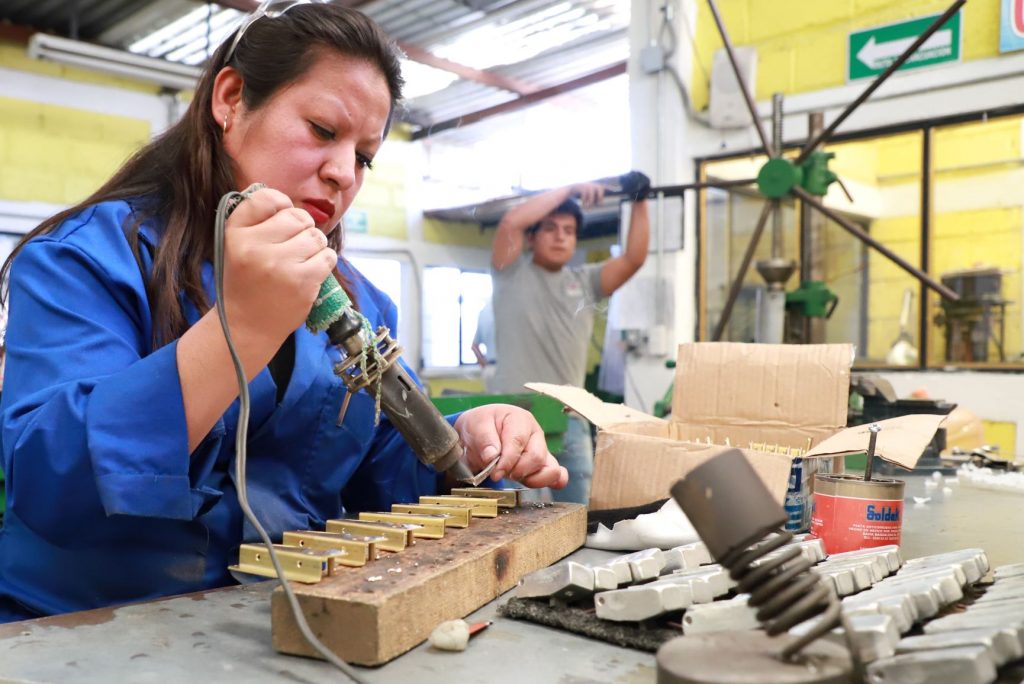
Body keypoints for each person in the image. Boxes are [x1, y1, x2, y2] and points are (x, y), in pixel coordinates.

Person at [0, 2, 566, 623]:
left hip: (278, 627)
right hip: (83, 631)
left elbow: (379, 474)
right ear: (232, 98)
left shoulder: (356, 303)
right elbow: (51, 483)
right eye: (324, 130)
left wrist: (467, 434)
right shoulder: (83, 260)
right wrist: (238, 332)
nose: (343, 173)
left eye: (365, 157)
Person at [490, 175, 650, 504]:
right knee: (517, 517)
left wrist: (639, 201)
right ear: (532, 237)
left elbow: (634, 258)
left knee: (582, 515)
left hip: (570, 418)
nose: (561, 237)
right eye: (550, 228)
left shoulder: (586, 282)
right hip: (516, 415)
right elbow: (512, 221)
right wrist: (574, 188)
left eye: (569, 231)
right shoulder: (509, 272)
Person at [471, 298, 497, 392]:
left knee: (493, 403)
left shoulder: (483, 313)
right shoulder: (507, 312)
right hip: (507, 369)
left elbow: (474, 346)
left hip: (489, 369)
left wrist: (484, 363)